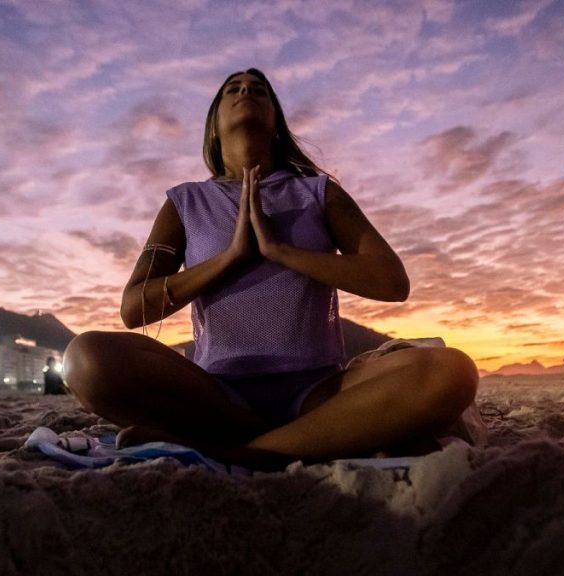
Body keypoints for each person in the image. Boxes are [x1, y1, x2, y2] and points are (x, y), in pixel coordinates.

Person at [63, 68, 479, 469]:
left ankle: (246, 452)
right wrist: (230, 259)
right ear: (213, 126)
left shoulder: (319, 192)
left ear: (276, 121)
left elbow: (392, 282)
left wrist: (281, 251)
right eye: (233, 89)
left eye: (258, 89)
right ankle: (289, 438)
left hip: (320, 391)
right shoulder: (184, 203)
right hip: (220, 395)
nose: (246, 91)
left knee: (452, 372)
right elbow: (134, 309)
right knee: (86, 359)